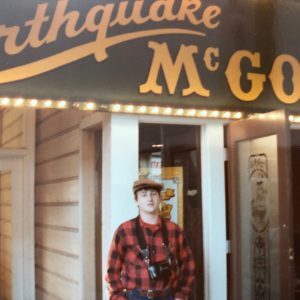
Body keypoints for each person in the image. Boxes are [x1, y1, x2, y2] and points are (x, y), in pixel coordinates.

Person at [105, 178, 196, 300]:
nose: (149, 198)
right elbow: (111, 271)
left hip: (168, 296)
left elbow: (188, 266)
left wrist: (180, 296)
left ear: (160, 198)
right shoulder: (124, 231)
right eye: (144, 195)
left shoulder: (174, 230)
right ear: (136, 200)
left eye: (153, 194)